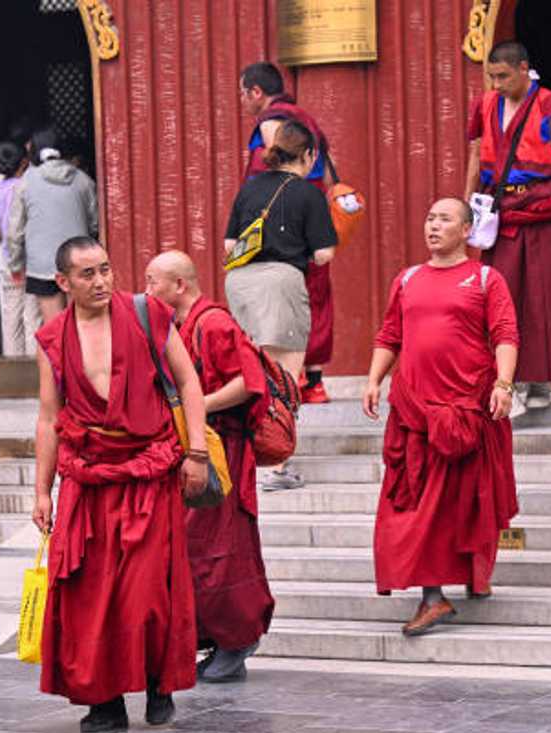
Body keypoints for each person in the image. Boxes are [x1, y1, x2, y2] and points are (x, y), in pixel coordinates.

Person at [32, 237, 203, 733]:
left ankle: (157, 682)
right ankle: (102, 699)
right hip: (87, 477)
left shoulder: (147, 314)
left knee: (147, 591)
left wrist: (194, 453)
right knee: (89, 595)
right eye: (87, 274)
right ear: (63, 282)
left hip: (149, 468)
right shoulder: (52, 337)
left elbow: (188, 383)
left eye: (106, 269)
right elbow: (48, 419)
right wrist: (42, 491)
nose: (101, 281)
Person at [363, 198, 519, 636]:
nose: (433, 225)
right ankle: (433, 596)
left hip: (466, 409)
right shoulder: (408, 279)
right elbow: (390, 334)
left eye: (445, 219)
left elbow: (505, 334)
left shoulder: (486, 278)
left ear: (467, 230)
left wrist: (503, 385)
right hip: (415, 412)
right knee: (415, 508)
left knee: (468, 502)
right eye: (430, 217)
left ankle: (468, 580)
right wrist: (374, 379)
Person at [144, 250, 275, 683]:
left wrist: (196, 408)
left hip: (224, 453)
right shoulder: (179, 326)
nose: (147, 291)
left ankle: (238, 639)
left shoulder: (214, 322)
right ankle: (214, 639)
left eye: (153, 282)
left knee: (220, 550)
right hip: (197, 446)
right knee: (193, 547)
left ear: (179, 286)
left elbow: (249, 380)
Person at [464, 41, 551, 415]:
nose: (497, 84)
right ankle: (509, 379)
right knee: (501, 297)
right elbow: (474, 158)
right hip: (500, 212)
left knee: (543, 297)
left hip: (544, 211)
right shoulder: (484, 105)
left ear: (523, 69)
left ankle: (541, 378)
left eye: (503, 76)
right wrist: (464, 206)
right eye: (492, 77)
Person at [225, 119, 337, 491]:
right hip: (281, 283)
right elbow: (322, 255)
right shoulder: (307, 193)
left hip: (240, 284)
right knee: (283, 376)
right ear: (308, 155)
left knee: (248, 370)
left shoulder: (250, 188)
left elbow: (229, 246)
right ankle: (275, 465)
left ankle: (244, 458)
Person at [240, 61, 336, 404]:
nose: (243, 101)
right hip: (312, 210)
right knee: (315, 294)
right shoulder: (305, 119)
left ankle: (287, 378)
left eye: (243, 93)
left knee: (284, 296)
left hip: (283, 219)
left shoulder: (271, 120)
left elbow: (275, 167)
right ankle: (314, 380)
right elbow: (327, 174)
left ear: (256, 92)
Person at [6, 127, 99, 332]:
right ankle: (81, 364)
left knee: (54, 328)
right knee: (81, 326)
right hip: (78, 260)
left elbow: (15, 230)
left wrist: (15, 263)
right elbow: (95, 224)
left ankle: (58, 365)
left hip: (42, 264)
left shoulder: (26, 182)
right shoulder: (83, 180)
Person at [0, 141, 35, 357]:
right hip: (24, 258)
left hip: (4, 259)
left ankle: (12, 367)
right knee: (31, 316)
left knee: (10, 318)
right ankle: (32, 369)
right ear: (24, 162)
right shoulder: (25, 187)